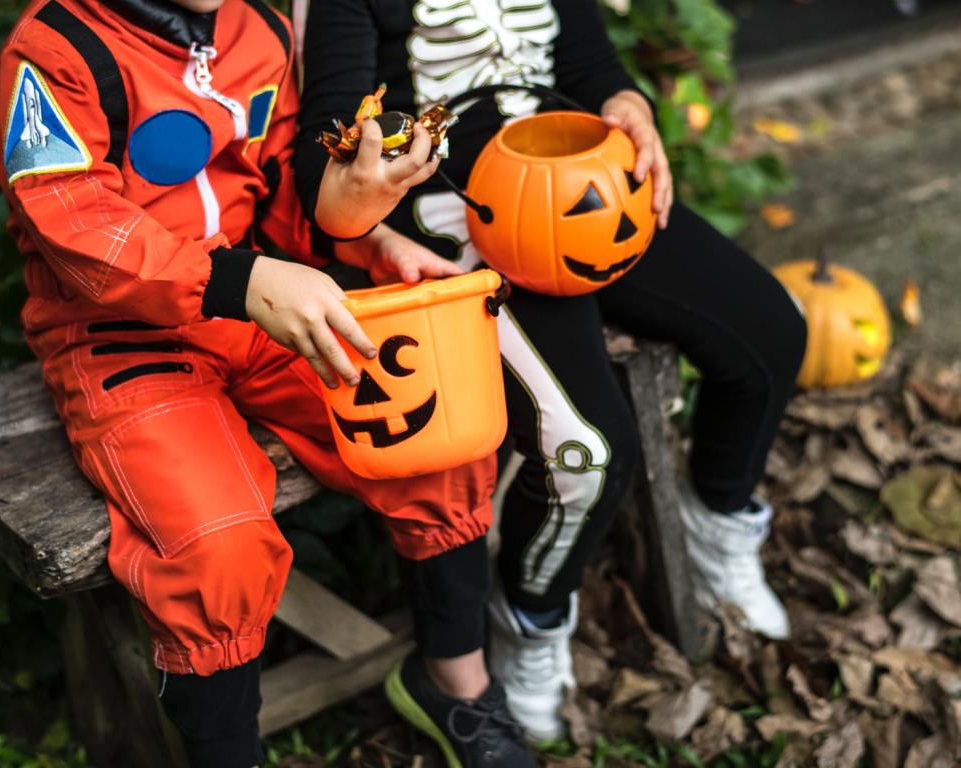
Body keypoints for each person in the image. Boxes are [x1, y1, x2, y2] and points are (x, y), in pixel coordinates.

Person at [0, 1, 536, 766]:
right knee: (217, 546)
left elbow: (276, 187)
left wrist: (372, 241)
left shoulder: (258, 27)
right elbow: (73, 224)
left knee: (430, 429)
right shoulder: (56, 54)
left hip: (267, 307)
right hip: (118, 334)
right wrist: (237, 281)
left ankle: (456, 686)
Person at [294, 0, 808, 750]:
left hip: (583, 181)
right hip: (457, 212)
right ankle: (532, 617)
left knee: (771, 335)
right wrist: (366, 220)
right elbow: (325, 148)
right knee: (589, 453)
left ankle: (720, 517)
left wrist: (628, 105)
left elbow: (592, 69)